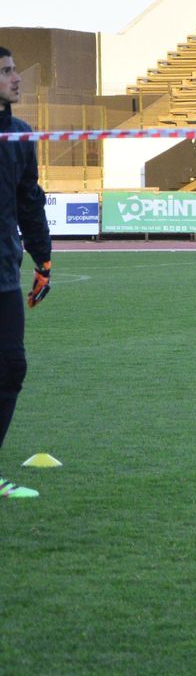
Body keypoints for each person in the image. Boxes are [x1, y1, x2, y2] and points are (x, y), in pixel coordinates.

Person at [1, 47, 52, 501]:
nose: (17, 78)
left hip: (3, 275)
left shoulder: (19, 135)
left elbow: (29, 201)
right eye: (6, 72)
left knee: (12, 366)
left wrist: (43, 258)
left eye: (15, 68)